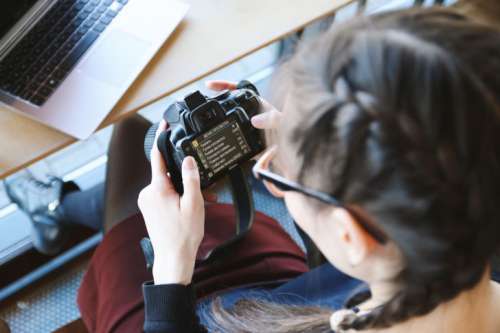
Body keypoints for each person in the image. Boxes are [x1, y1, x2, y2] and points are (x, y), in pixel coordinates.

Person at [6, 7, 500, 333]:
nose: (274, 175)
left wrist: (172, 270)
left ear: (352, 233)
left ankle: (61, 209)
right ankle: (66, 206)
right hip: (319, 282)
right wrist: (323, 145)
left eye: (283, 176)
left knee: (130, 160)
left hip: (220, 306)